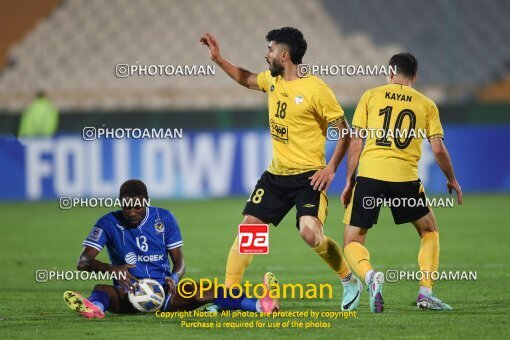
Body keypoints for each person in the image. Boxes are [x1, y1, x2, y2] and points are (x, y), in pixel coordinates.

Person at [200, 27, 362, 311]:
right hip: (275, 177)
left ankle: (349, 280)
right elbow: (245, 78)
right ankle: (226, 300)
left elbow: (344, 131)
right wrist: (218, 58)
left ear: (284, 56)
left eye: (271, 50)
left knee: (310, 233)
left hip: (309, 178)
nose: (267, 55)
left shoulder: (316, 89)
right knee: (248, 232)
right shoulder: (272, 80)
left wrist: (331, 169)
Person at [341, 53, 463, 312]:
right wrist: (451, 179)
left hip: (371, 175)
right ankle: (425, 293)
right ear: (415, 76)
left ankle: (370, 276)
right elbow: (438, 149)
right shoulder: (427, 104)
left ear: (390, 72)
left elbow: (356, 141)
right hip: (405, 179)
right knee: (429, 231)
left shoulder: (371, 96)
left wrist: (349, 181)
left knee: (352, 241)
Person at [63, 179, 279, 318]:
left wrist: (175, 278)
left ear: (146, 202)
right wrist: (111, 269)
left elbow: (180, 263)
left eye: (137, 206)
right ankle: (95, 309)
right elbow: (83, 261)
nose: (131, 211)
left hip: (165, 294)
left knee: (208, 289)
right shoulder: (108, 222)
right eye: (126, 206)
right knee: (102, 290)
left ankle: (261, 306)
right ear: (120, 203)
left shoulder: (164, 218)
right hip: (128, 293)